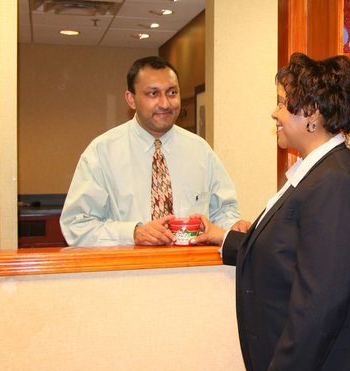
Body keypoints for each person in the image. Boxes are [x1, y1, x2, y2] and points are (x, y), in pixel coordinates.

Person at [194, 53, 350, 371]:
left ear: (312, 113)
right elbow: (291, 253)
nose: (274, 113)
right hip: (325, 370)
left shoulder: (334, 182)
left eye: (281, 103)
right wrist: (222, 238)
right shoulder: (317, 171)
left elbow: (319, 303)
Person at [60, 56, 247, 246]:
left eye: (172, 92)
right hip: (130, 264)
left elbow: (223, 211)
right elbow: (76, 225)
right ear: (131, 99)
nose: (165, 103)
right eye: (153, 93)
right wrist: (132, 233)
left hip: (193, 263)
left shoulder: (201, 151)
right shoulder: (102, 153)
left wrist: (234, 226)